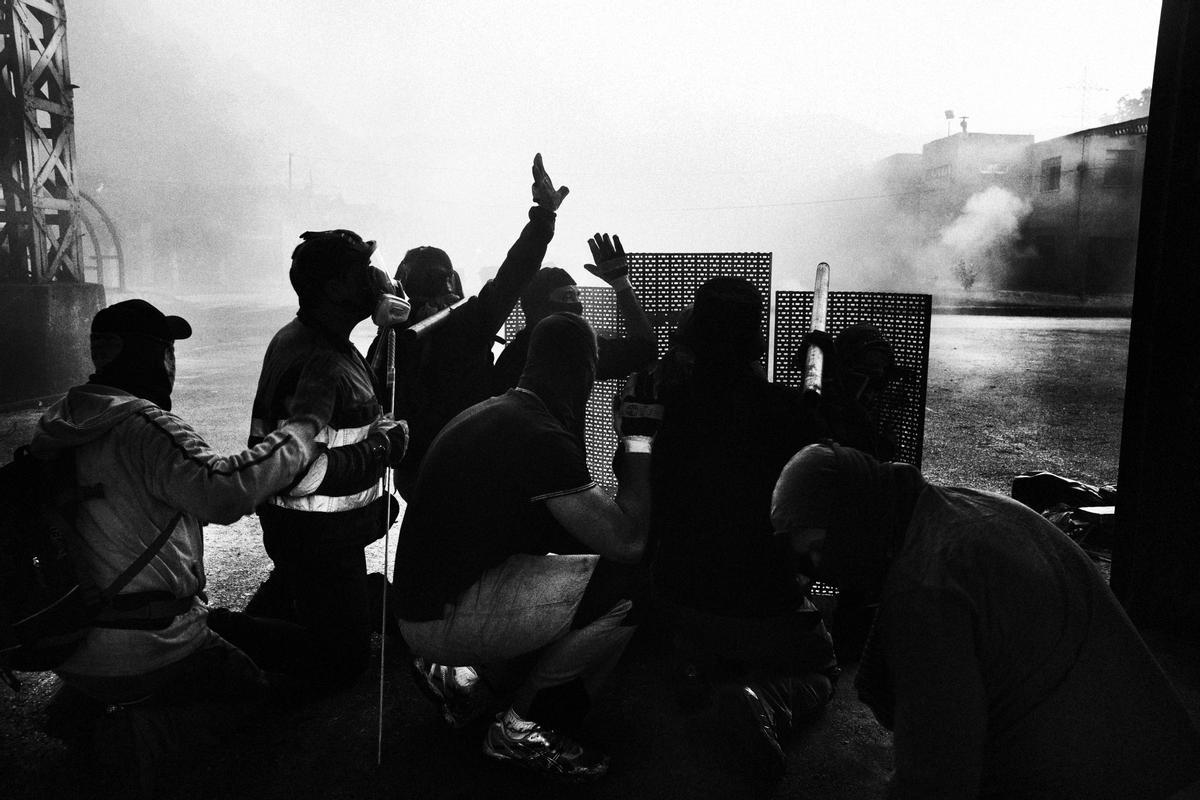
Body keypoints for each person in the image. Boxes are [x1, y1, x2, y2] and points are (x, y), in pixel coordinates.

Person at [772, 441, 1200, 799]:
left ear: (853, 519)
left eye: (819, 547)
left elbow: (936, 780)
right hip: (1163, 758)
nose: (817, 567)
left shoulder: (925, 588)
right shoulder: (958, 508)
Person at [30, 298, 326, 789]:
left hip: (72, 642)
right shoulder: (143, 427)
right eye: (167, 349)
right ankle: (131, 739)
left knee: (247, 641)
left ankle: (86, 703)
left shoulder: (59, 422)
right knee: (266, 689)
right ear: (147, 356)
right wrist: (302, 431)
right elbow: (227, 491)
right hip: (154, 645)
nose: (172, 363)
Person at [392, 312, 657, 780]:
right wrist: (637, 439)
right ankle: (526, 725)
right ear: (586, 373)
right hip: (444, 620)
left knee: (575, 574)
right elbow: (629, 542)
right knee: (629, 582)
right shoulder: (542, 437)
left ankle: (470, 680)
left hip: (421, 610)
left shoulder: (497, 411)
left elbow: (557, 536)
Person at [646, 277, 838, 775]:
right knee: (822, 666)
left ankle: (694, 662)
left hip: (674, 599)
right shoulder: (789, 412)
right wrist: (815, 380)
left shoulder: (668, 405)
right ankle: (765, 700)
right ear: (757, 341)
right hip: (760, 608)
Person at [206, 228, 410, 692]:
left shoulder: (306, 338)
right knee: (341, 658)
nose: (375, 279)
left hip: (313, 533)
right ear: (335, 288)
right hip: (318, 536)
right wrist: (383, 448)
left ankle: (304, 603)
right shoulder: (322, 360)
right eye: (362, 271)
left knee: (318, 596)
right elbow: (304, 471)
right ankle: (205, 634)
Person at [369, 153, 569, 498]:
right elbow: (514, 274)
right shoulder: (466, 323)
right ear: (452, 283)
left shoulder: (389, 336)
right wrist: (544, 216)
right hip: (469, 459)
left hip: (415, 470)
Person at [491, 232, 657, 417]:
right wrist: (621, 283)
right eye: (567, 297)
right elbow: (645, 350)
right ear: (539, 307)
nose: (577, 305)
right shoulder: (570, 349)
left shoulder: (512, 354)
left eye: (577, 296)